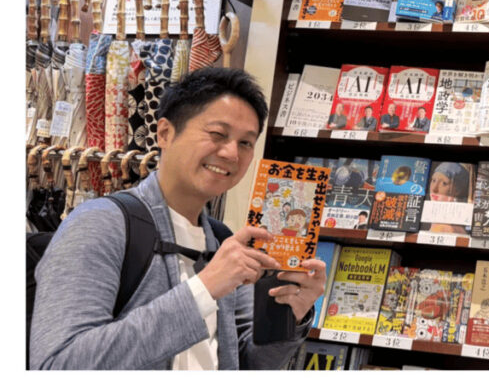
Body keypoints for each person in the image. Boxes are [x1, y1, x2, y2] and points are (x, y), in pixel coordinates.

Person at [30, 67, 327, 370]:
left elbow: (247, 363)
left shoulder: (221, 239)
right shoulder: (100, 224)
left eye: (246, 143)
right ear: (165, 133)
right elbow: (58, 364)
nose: (231, 154)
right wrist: (204, 288)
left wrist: (289, 314)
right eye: (217, 134)